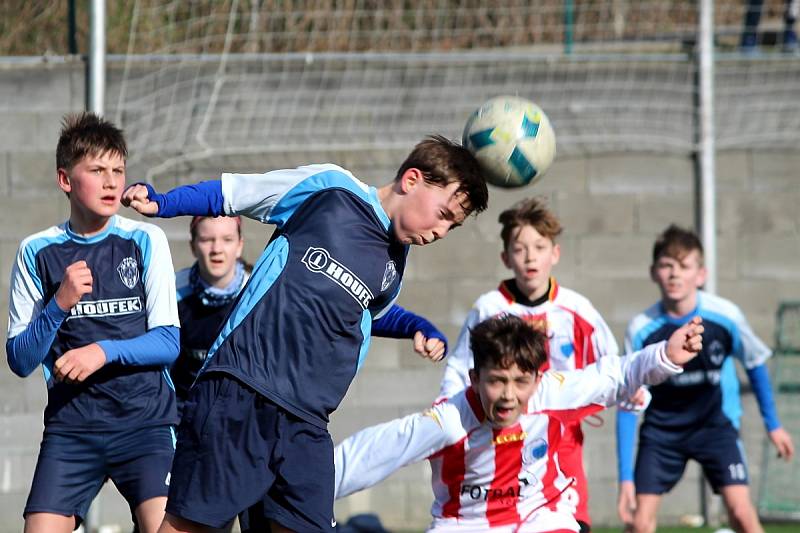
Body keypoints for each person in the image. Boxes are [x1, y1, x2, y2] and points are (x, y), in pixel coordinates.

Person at [121, 135, 489, 533]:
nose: (441, 231)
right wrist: (164, 202)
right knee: (192, 525)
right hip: (242, 391)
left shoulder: (394, 264)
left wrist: (417, 327)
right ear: (412, 180)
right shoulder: (330, 190)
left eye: (453, 225)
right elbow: (233, 193)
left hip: (307, 424)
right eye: (443, 214)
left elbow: (362, 314)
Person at [334, 314, 705, 533]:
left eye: (520, 382)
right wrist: (299, 489)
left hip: (541, 519)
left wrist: (665, 356)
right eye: (496, 381)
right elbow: (370, 453)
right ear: (475, 378)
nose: (508, 395)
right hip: (465, 526)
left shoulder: (554, 395)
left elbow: (616, 375)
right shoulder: (449, 422)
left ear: (537, 381)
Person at [5, 112, 180, 533]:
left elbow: (168, 341)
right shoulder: (37, 251)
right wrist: (58, 304)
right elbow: (20, 359)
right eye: (97, 170)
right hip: (72, 429)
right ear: (66, 180)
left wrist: (102, 351)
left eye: (118, 170)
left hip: (146, 424)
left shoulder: (144, 239)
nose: (110, 182)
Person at [439, 197, 635, 533]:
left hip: (563, 436)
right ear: (505, 257)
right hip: (502, 435)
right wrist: (445, 413)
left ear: (554, 254)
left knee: (571, 523)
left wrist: (633, 389)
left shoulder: (577, 308)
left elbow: (613, 364)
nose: (530, 256)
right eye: (519, 248)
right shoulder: (489, 308)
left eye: (539, 247)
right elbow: (459, 368)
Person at [615, 224, 795, 533]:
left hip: (715, 427)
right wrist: (625, 478)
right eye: (666, 266)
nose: (674, 274)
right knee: (640, 523)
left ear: (701, 275)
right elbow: (628, 400)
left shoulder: (726, 317)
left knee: (741, 514)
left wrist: (773, 424)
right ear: (653, 272)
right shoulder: (641, 329)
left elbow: (754, 363)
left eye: (684, 266)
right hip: (662, 433)